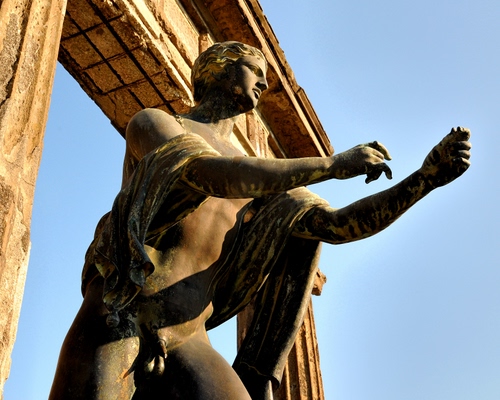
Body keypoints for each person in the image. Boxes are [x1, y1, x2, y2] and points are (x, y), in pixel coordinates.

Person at [49, 41, 471, 400]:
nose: (264, 83)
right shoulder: (156, 123)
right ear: (218, 70)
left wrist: (424, 179)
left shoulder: (263, 182)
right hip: (120, 312)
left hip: (188, 334)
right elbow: (208, 174)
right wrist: (330, 165)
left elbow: (338, 225)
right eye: (255, 70)